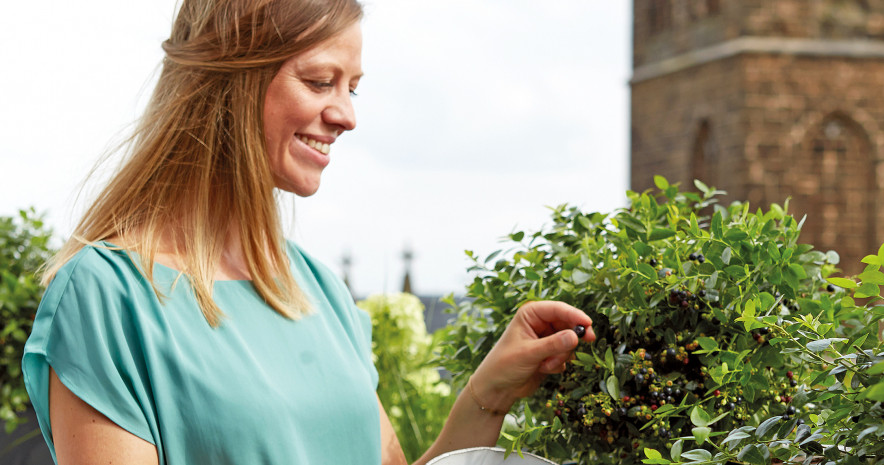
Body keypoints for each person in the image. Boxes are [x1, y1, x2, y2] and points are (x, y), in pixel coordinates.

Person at [21, 0, 596, 464]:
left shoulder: (317, 290)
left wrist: (489, 394)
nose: (347, 115)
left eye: (352, 87)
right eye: (321, 81)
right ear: (230, 81)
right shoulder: (105, 297)